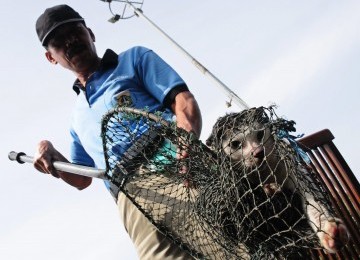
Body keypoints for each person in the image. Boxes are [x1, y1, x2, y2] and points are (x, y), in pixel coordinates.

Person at [34, 4, 202, 259]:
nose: (70, 41)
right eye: (58, 41)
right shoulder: (76, 119)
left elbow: (183, 102)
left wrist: (187, 150)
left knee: (234, 239)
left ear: (90, 33)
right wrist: (51, 153)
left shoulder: (134, 59)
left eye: (75, 31)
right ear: (51, 58)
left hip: (178, 167)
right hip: (131, 202)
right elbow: (82, 179)